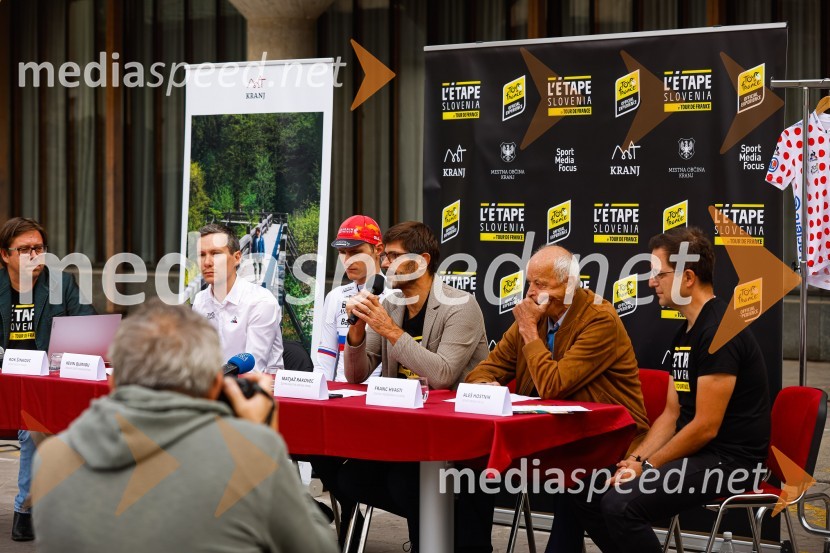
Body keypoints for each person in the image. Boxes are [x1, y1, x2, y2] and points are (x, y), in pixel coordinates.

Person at [31, 300, 338, 553]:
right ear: (216, 384)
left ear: (112, 382)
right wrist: (260, 442)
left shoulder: (51, 458)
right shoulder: (249, 457)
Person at [573, 227, 771, 553]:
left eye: (658, 274)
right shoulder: (686, 332)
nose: (651, 282)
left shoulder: (720, 331)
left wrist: (648, 467)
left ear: (688, 277)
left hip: (732, 464)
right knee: (587, 492)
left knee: (620, 504)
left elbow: (705, 426)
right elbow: (672, 413)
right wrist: (635, 459)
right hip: (699, 455)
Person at [465, 244, 650, 553]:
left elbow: (553, 386)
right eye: (529, 282)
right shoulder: (535, 315)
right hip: (557, 438)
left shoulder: (598, 319)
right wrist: (491, 389)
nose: (531, 292)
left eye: (541, 285)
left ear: (569, 286)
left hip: (611, 441)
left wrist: (528, 331)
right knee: (468, 463)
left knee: (577, 485)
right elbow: (483, 372)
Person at [338, 221, 490, 552]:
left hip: (458, 440)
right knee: (347, 475)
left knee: (406, 481)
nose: (386, 264)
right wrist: (357, 332)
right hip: (408, 435)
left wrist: (390, 330)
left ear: (421, 260)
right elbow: (356, 375)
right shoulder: (392, 304)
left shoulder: (459, 305)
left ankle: (454, 540)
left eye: (393, 256)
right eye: (385, 256)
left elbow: (443, 375)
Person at [0, 217, 95, 542]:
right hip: (3, 383)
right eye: (24, 249)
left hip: (44, 384)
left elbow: (89, 327)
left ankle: (25, 509)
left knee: (33, 425)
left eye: (38, 248)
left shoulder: (61, 284)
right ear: (5, 255)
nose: (33, 256)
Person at [192, 223, 284, 373]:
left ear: (237, 258)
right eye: (202, 255)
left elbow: (253, 370)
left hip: (257, 390)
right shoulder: (200, 301)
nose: (207, 262)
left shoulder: (261, 302)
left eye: (216, 254)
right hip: (213, 388)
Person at [314, 214, 385, 382]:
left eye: (355, 252)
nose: (347, 260)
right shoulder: (335, 296)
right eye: (342, 252)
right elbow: (326, 357)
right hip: (341, 397)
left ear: (378, 249)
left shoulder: (397, 295)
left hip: (381, 397)